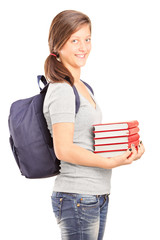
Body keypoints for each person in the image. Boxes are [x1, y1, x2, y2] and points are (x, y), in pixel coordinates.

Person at [43, 10, 145, 240]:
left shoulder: (83, 87)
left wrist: (125, 149)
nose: (83, 47)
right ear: (58, 45)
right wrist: (110, 162)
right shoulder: (61, 89)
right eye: (75, 40)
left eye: (87, 39)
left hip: (95, 193)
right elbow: (64, 149)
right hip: (77, 195)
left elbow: (87, 140)